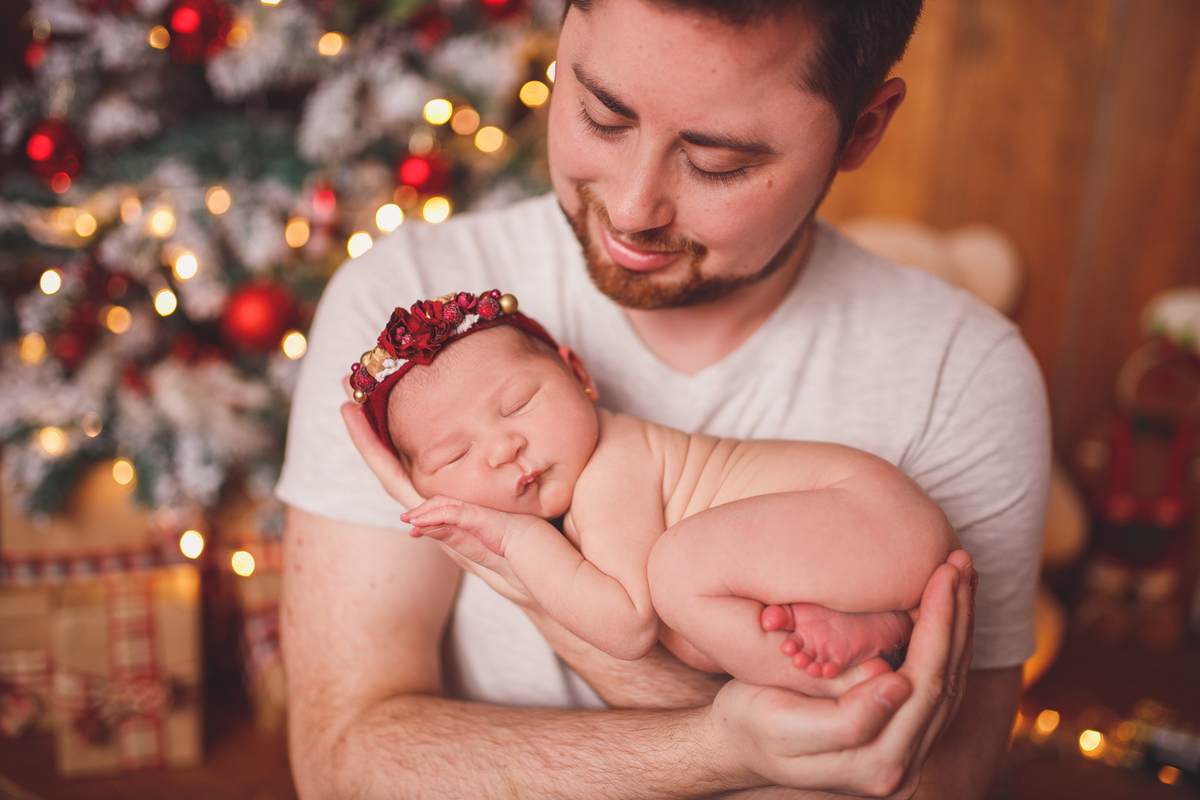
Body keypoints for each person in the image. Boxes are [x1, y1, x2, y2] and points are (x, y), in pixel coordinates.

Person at [277, 0, 1050, 797]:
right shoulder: (411, 328)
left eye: (718, 163)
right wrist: (717, 745)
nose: (632, 208)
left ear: (861, 130)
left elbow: (919, 783)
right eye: (601, 116)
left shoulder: (963, 374)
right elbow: (346, 765)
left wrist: (505, 556)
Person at [352, 293, 956, 684]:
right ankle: (878, 630)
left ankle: (840, 700)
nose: (502, 447)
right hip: (867, 546)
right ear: (420, 485)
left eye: (520, 404)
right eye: (455, 454)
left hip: (872, 510)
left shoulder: (614, 466)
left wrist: (508, 539)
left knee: (676, 573)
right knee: (696, 637)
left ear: (579, 375)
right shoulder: (589, 491)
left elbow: (627, 626)